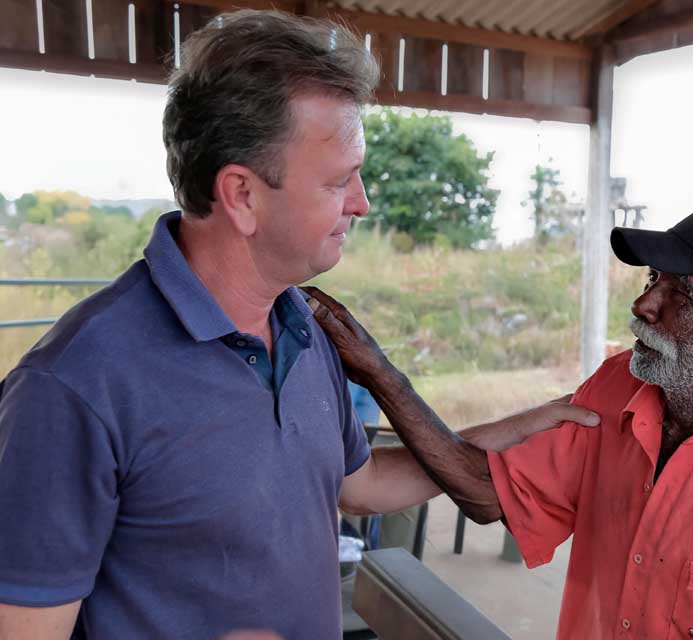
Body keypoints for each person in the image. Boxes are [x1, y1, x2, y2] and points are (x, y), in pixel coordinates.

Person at [0, 11, 598, 640]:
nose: (362, 202)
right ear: (243, 196)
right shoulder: (74, 387)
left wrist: (513, 431)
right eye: (340, 180)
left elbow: (359, 485)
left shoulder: (303, 325)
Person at [308, 200, 693, 639]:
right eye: (650, 281)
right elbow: (489, 493)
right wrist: (382, 375)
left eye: (680, 294)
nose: (644, 305)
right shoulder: (619, 389)